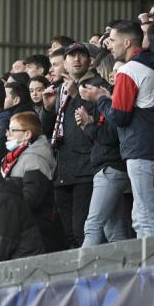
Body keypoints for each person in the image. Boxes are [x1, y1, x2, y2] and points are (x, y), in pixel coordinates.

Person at [80, 20, 154, 238]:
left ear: (127, 42)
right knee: (142, 214)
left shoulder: (129, 70)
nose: (110, 46)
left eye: (114, 40)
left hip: (139, 149)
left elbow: (119, 116)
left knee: (146, 217)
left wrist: (100, 99)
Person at [40, 42, 107, 248]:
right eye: (71, 56)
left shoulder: (97, 84)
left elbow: (95, 121)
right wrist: (48, 108)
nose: (76, 60)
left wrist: (76, 95)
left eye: (81, 56)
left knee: (81, 230)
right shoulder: (60, 89)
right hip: (62, 168)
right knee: (68, 233)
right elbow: (47, 129)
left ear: (90, 61)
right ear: (65, 64)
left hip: (85, 167)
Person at [76, 74, 131, 247]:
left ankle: (81, 272)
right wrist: (89, 124)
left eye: (90, 93)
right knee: (115, 232)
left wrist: (88, 125)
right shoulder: (101, 108)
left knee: (92, 226)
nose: (88, 99)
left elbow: (110, 137)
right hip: (107, 169)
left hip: (111, 170)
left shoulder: (112, 105)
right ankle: (126, 272)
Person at [1, 112, 65, 251]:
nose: (7, 134)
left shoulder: (34, 158)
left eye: (13, 130)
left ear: (27, 135)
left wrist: (6, 211)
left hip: (35, 233)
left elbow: (32, 198)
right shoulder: (16, 158)